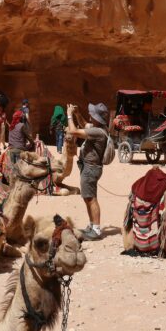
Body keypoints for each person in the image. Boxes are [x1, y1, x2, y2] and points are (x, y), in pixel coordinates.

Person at [67, 102, 109, 241]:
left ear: (98, 118)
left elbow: (74, 131)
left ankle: (96, 230)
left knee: (91, 199)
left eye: (93, 114)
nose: (90, 116)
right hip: (89, 168)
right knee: (87, 197)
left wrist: (69, 116)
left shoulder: (97, 132)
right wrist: (77, 113)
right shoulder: (98, 128)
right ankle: (92, 226)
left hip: (91, 169)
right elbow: (85, 124)